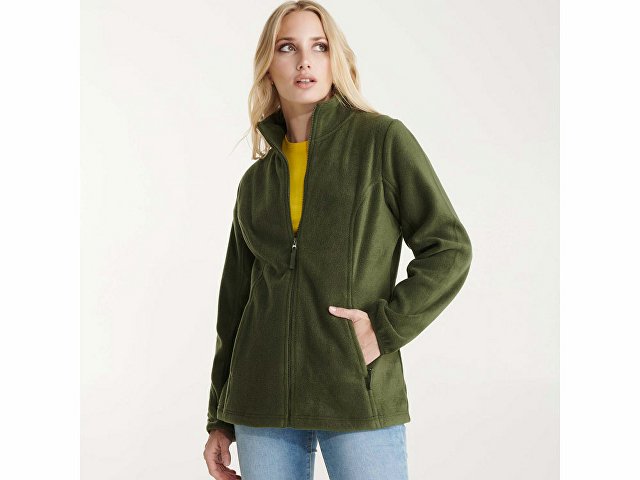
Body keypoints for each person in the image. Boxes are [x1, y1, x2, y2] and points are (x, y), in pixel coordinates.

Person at [203, 1, 473, 479]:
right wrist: (219, 417)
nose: (304, 61)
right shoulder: (256, 182)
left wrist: (383, 329)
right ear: (268, 65)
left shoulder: (381, 141)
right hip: (260, 401)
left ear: (336, 60)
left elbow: (449, 248)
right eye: (288, 48)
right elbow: (235, 304)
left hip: (354, 390)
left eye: (320, 47)